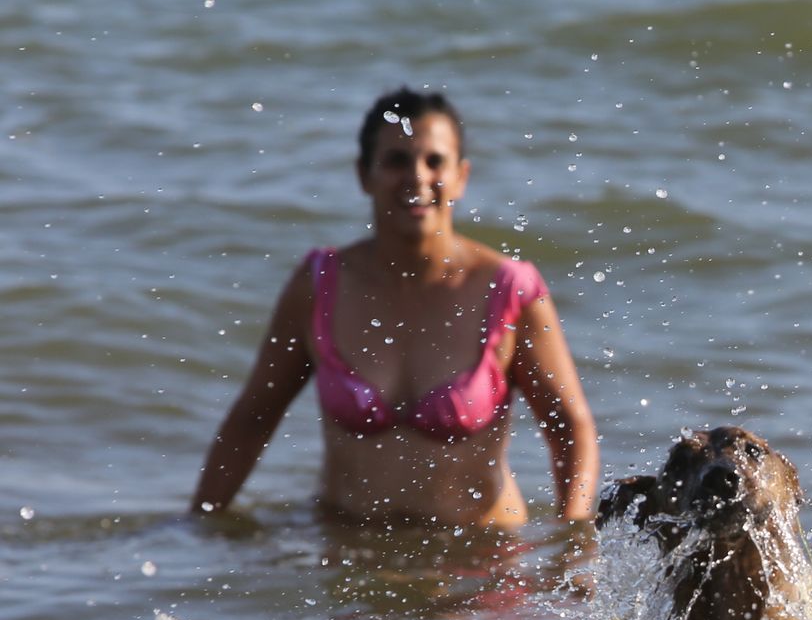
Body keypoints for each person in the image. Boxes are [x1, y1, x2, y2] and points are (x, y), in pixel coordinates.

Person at [192, 87, 600, 529]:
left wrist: (573, 541)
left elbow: (569, 427)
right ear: (363, 175)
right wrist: (198, 526)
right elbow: (253, 417)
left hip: (481, 564)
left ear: (462, 176)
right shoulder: (320, 284)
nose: (417, 178)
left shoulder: (508, 289)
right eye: (396, 161)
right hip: (349, 556)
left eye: (434, 161)